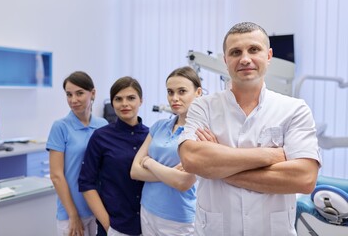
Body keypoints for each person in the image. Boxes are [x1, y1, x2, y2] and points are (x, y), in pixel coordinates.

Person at [178, 22, 321, 236]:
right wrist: (271, 155)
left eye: (254, 49)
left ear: (269, 55)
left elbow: (304, 179)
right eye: (235, 52)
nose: (245, 59)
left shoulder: (294, 109)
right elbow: (191, 160)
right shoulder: (203, 106)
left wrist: (219, 167)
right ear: (225, 60)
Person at [130, 66, 202, 235]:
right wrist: (170, 174)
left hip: (179, 218)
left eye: (182, 91)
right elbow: (134, 171)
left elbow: (183, 182)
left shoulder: (201, 132)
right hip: (148, 209)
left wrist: (148, 162)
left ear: (198, 93)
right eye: (170, 92)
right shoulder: (159, 126)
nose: (174, 98)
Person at [78, 76, 149, 236]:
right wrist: (108, 226)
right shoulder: (101, 137)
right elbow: (86, 183)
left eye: (131, 98)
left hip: (149, 224)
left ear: (141, 101)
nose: (124, 104)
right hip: (115, 226)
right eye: (118, 99)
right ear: (112, 102)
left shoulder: (152, 136)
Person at [47, 71, 108, 236]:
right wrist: (72, 214)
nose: (73, 100)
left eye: (80, 93)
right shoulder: (60, 127)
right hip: (71, 213)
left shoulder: (102, 125)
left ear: (92, 93)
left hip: (98, 209)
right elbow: (56, 176)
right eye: (69, 94)